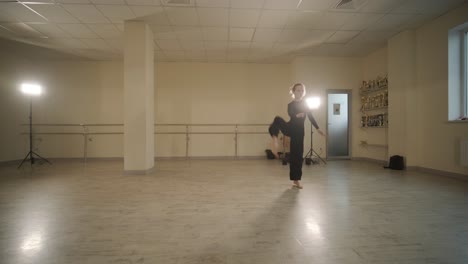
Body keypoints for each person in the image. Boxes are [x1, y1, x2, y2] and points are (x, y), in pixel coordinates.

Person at [268, 83, 325, 189]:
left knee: (297, 156)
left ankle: (296, 181)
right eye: (298, 90)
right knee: (277, 119)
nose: (300, 92)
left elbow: (311, 117)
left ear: (303, 93)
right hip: (290, 128)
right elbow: (290, 113)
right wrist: (296, 115)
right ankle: (274, 139)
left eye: (301, 90)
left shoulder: (305, 104)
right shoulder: (290, 104)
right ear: (293, 92)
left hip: (299, 132)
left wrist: (318, 128)